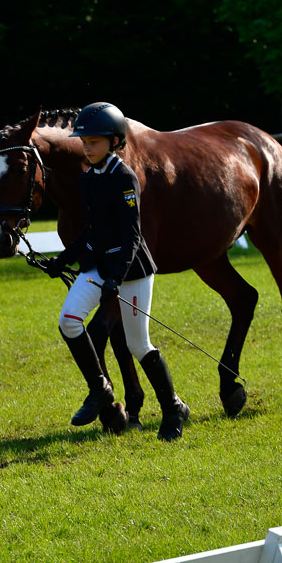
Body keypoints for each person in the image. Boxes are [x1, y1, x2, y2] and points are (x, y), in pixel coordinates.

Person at [46, 102, 189, 441]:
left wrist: (116, 277)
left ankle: (173, 408)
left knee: (139, 344)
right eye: (84, 141)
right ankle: (100, 390)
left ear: (114, 142)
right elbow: (93, 230)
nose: (87, 146)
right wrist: (64, 258)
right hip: (100, 266)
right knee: (69, 321)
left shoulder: (123, 177)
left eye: (94, 141)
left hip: (132, 269)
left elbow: (132, 235)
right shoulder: (87, 179)